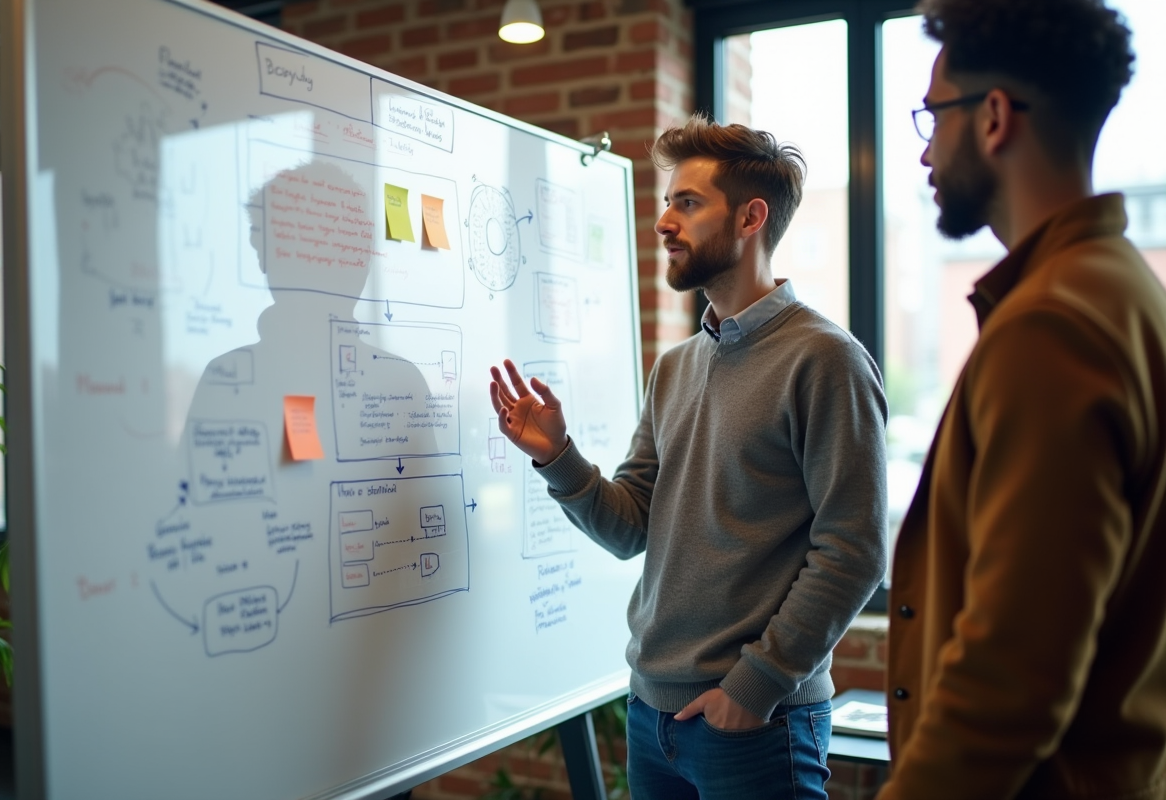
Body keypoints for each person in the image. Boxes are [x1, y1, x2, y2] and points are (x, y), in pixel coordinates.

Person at [489, 115, 889, 799]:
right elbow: (630, 528)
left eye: (688, 203)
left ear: (749, 217)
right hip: (651, 717)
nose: (664, 223)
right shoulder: (675, 367)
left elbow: (853, 549)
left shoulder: (826, 359)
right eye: (667, 203)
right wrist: (558, 456)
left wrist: (754, 687)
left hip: (755, 726)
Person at [880, 1, 1166, 798]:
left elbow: (1009, 687)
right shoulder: (1125, 291)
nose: (927, 149)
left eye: (934, 116)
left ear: (995, 117)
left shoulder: (1051, 325)